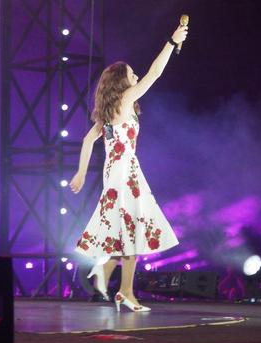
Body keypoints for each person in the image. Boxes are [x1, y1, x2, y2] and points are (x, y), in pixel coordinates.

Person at [70, 23, 188, 312]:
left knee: (127, 234)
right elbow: (155, 73)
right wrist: (171, 43)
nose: (135, 76)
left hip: (120, 173)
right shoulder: (125, 100)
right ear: (121, 82)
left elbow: (87, 141)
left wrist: (82, 173)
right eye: (131, 73)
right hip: (124, 174)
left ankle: (113, 281)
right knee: (132, 232)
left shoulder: (112, 110)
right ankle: (122, 289)